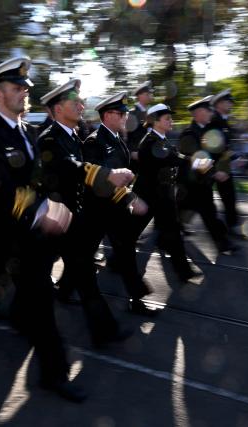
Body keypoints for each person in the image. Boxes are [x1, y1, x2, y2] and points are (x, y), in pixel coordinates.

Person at [0, 57, 85, 402]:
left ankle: (54, 374)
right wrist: (40, 209)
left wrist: (51, 203)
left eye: (26, 87)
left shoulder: (30, 132)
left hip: (29, 239)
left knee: (41, 301)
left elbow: (37, 180)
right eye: (17, 87)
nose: (25, 92)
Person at [39, 81, 145, 338]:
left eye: (81, 101)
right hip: (50, 219)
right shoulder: (49, 138)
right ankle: (25, 318)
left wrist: (125, 195)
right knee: (35, 279)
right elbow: (70, 166)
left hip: (73, 218)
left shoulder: (74, 135)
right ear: (57, 108)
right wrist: (108, 174)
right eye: (74, 102)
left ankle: (102, 331)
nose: (81, 105)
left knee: (85, 276)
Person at [78, 91, 157, 316]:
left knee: (127, 251)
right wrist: (130, 197)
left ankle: (136, 299)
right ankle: (65, 291)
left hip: (114, 211)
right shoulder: (94, 142)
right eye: (120, 112)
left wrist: (129, 196)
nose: (125, 116)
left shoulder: (117, 139)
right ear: (106, 115)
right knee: (82, 258)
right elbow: (100, 183)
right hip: (96, 213)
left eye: (125, 112)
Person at [132, 104, 212, 282]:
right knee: (130, 233)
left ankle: (184, 271)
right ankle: (116, 262)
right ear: (155, 121)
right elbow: (173, 158)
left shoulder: (162, 140)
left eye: (170, 118)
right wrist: (198, 163)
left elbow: (176, 158)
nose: (171, 121)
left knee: (174, 233)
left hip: (163, 196)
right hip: (147, 197)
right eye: (167, 118)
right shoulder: (151, 142)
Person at [177, 95, 236, 254]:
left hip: (201, 183)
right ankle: (223, 244)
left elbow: (215, 154)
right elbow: (195, 159)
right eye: (208, 110)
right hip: (189, 183)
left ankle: (224, 244)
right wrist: (215, 173)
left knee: (205, 212)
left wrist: (231, 160)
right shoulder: (189, 134)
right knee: (205, 213)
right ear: (198, 113)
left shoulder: (206, 132)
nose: (211, 113)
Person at [207, 89, 243, 236]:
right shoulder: (214, 120)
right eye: (228, 102)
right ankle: (180, 222)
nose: (231, 104)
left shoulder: (224, 121)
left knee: (229, 197)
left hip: (223, 167)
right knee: (197, 198)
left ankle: (232, 226)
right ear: (219, 103)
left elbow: (225, 146)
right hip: (210, 166)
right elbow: (215, 145)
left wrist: (234, 157)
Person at [126, 80, 154, 171]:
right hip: (137, 160)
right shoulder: (132, 114)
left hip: (150, 156)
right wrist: (131, 152)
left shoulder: (151, 113)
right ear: (141, 96)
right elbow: (125, 137)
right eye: (148, 94)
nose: (151, 96)